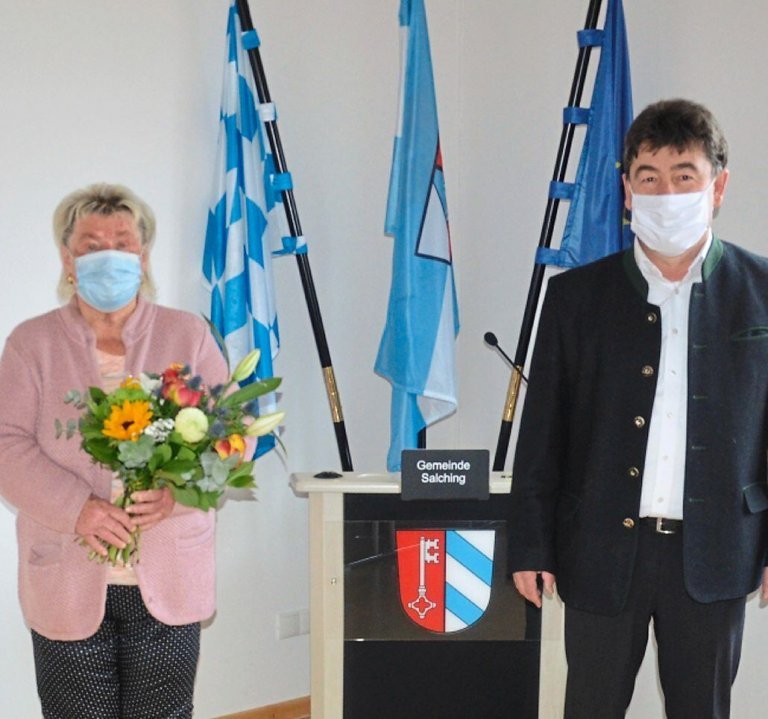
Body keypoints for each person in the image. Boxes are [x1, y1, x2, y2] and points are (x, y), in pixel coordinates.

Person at [507, 99, 768, 718]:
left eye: (685, 175)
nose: (666, 192)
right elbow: (543, 433)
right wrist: (530, 546)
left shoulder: (761, 292)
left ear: (718, 186)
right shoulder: (575, 297)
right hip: (599, 549)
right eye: (648, 177)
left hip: (715, 555)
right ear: (626, 190)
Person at [0, 183, 228, 718]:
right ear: (67, 257)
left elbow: (228, 437)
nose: (108, 254)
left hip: (169, 574)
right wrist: (77, 507)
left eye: (122, 241)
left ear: (143, 255)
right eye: (90, 243)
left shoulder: (187, 334)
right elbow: (6, 445)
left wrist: (177, 493)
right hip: (66, 574)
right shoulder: (31, 344)